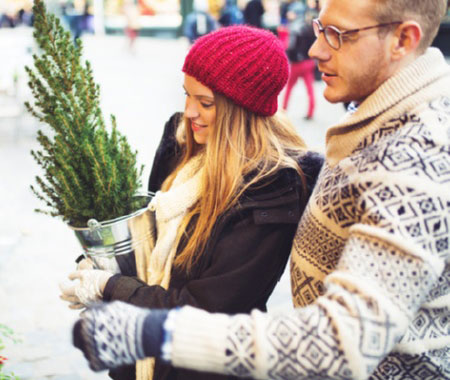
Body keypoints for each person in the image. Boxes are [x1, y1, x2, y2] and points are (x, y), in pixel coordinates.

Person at [72, 1, 450, 379]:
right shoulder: (377, 125)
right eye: (320, 29)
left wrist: (152, 329)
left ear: (402, 39)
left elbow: (341, 343)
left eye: (338, 35)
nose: (315, 49)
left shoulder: (415, 159)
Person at [60, 26, 324, 380]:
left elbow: (205, 309)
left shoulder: (272, 188)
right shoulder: (181, 141)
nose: (189, 112)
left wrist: (110, 287)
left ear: (240, 110)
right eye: (187, 95)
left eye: (206, 103)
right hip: (141, 360)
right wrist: (103, 265)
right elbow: (148, 243)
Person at [282, 11, 317, 119]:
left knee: (289, 88)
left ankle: (283, 109)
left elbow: (290, 46)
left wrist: (290, 58)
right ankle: (311, 111)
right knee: (310, 89)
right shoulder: (314, 31)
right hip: (308, 62)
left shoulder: (295, 28)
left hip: (297, 64)